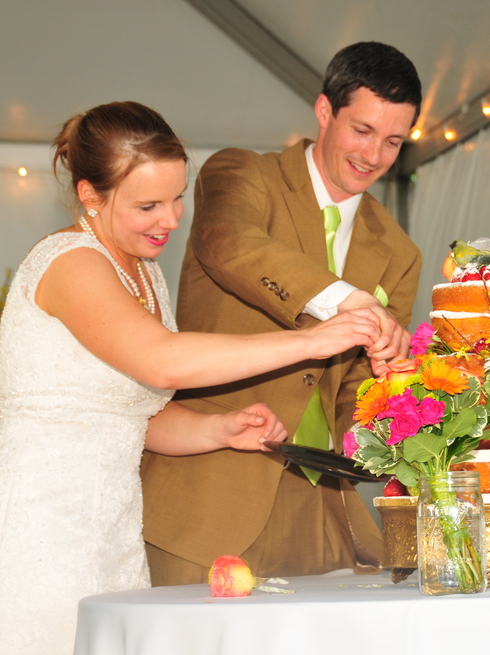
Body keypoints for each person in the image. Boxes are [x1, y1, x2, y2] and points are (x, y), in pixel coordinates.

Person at [0, 101, 388, 655]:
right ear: (90, 195)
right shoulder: (71, 262)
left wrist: (218, 429)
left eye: (177, 198)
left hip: (114, 528)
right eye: (148, 205)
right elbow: (161, 360)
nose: (172, 220)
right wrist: (313, 340)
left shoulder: (144, 273)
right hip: (39, 526)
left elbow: (138, 417)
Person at [140, 41, 423, 583]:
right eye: (362, 131)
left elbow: (354, 398)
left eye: (393, 142)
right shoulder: (241, 173)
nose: (373, 156)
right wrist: (347, 299)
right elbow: (231, 245)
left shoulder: (399, 250)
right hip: (208, 500)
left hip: (324, 511)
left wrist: (399, 388)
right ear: (324, 111)